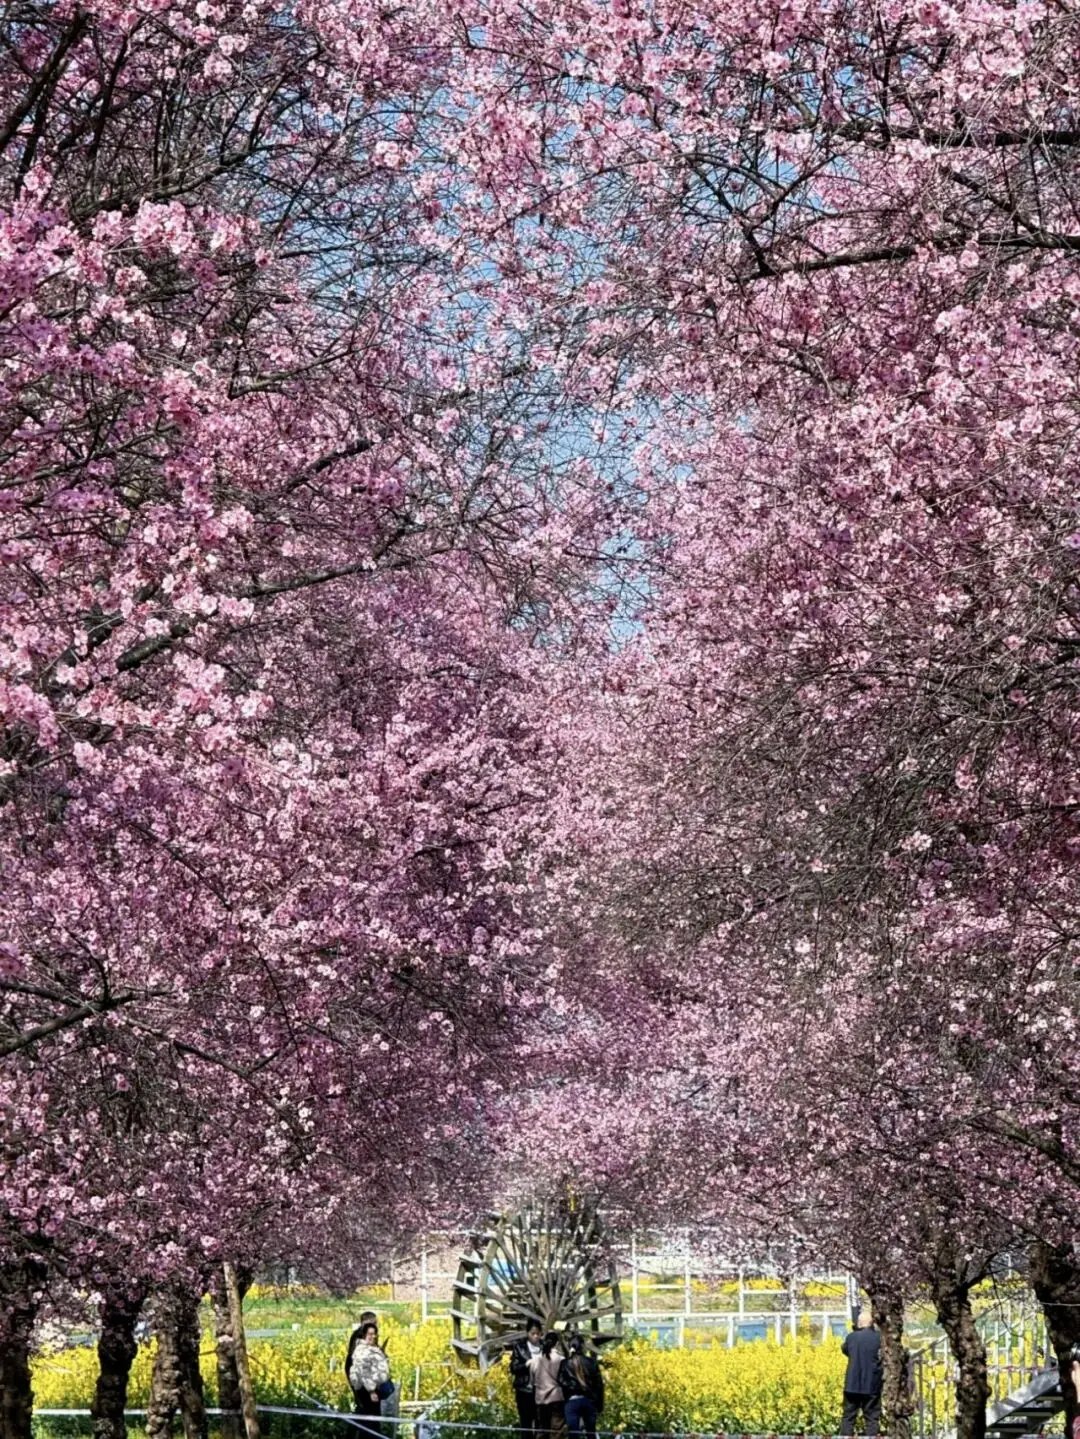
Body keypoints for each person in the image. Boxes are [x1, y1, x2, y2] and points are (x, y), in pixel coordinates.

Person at [840, 1309, 883, 1436]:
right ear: (872, 1323)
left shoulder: (851, 1337)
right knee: (872, 1418)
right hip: (872, 1385)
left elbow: (845, 1349)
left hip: (852, 1385)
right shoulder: (879, 1338)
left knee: (848, 1417)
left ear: (859, 1323)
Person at [348, 1321, 392, 1438]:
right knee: (369, 1421)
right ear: (364, 1335)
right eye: (370, 1334)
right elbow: (364, 1371)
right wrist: (372, 1390)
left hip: (373, 1389)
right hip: (368, 1391)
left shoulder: (370, 1348)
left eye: (374, 1334)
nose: (373, 1336)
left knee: (373, 1420)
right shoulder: (362, 1350)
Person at [558, 1335, 604, 1439]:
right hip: (589, 1401)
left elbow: (560, 1381)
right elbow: (599, 1385)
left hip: (572, 1401)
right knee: (591, 1433)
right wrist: (600, 1406)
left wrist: (573, 1387)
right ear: (582, 1346)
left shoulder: (565, 1363)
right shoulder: (592, 1362)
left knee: (573, 1434)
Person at [509, 1321, 544, 1435]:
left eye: (538, 1334)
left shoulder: (544, 1346)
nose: (535, 1336)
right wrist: (526, 1364)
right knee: (526, 1423)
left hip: (541, 1390)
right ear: (527, 1333)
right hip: (525, 1390)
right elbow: (513, 1368)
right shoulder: (520, 1347)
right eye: (533, 1333)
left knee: (541, 1424)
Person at [530, 1331, 566, 1439]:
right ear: (556, 1343)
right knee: (557, 1432)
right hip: (557, 1398)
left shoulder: (536, 1359)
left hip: (541, 1399)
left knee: (542, 1430)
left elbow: (532, 1381)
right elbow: (564, 1380)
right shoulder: (561, 1359)